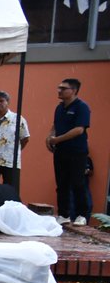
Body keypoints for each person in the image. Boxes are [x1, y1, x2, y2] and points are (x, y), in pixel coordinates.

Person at [47, 78, 92, 226]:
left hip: (77, 151)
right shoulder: (59, 108)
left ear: (73, 91)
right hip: (61, 152)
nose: (59, 90)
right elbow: (55, 125)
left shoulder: (82, 107)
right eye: (59, 87)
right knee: (62, 183)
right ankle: (64, 214)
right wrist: (50, 137)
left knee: (77, 182)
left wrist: (58, 139)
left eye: (63, 88)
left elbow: (79, 129)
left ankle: (82, 215)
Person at [0, 91, 30, 188]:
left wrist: (13, 150)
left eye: (1, 101)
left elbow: (25, 138)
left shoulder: (18, 119)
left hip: (10, 160)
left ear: (7, 102)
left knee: (11, 191)